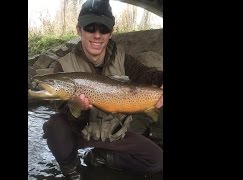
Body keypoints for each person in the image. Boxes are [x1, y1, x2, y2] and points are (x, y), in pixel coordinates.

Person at [42, 0, 163, 179]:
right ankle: (71, 169)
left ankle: (103, 157)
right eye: (90, 27)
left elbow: (149, 75)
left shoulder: (124, 60)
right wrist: (80, 110)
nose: (97, 35)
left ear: (110, 33)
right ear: (79, 30)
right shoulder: (63, 67)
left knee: (157, 161)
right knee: (54, 126)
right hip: (80, 133)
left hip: (114, 135)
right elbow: (66, 115)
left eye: (104, 29)